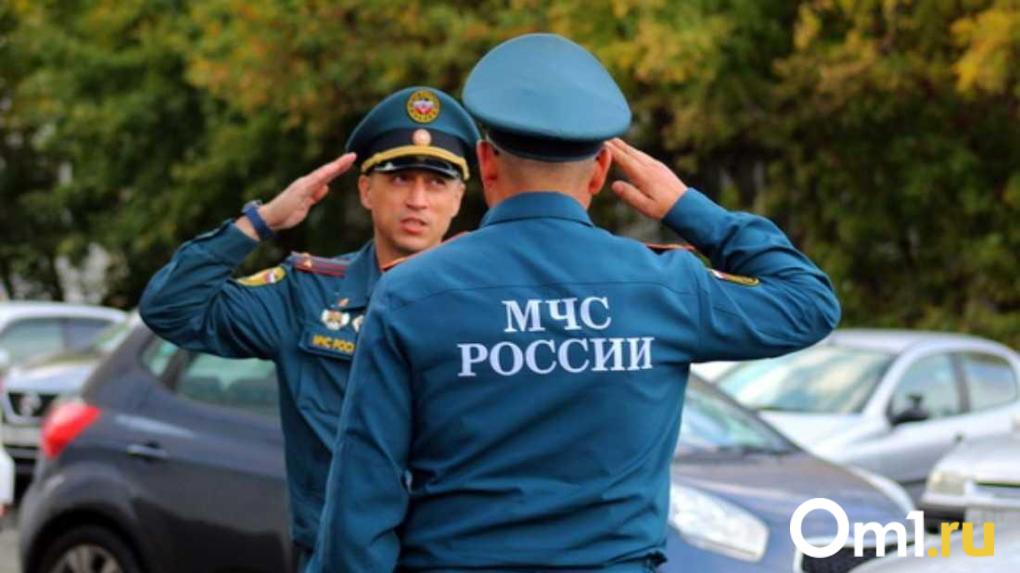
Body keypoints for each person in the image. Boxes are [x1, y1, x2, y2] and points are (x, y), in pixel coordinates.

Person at [310, 34, 840, 572]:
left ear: (486, 163)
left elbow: (361, 502)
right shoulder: (662, 287)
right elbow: (809, 303)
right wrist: (686, 206)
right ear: (601, 170)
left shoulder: (411, 294)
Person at [138, 86, 480, 571]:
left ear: (458, 198)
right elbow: (171, 307)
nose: (418, 200)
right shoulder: (308, 294)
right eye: (401, 179)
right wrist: (262, 221)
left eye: (437, 183)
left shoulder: (488, 304)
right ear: (366, 190)